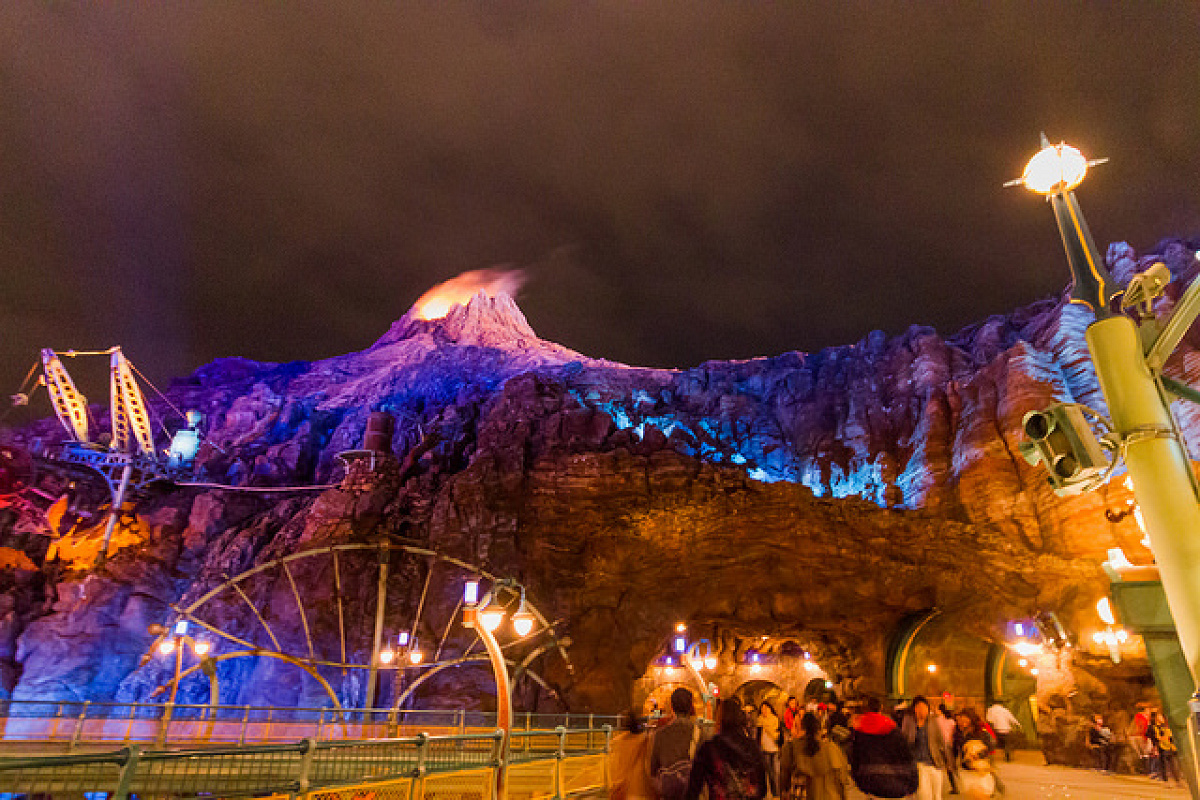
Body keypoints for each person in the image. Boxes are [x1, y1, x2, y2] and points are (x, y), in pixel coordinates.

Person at [685, 698, 767, 800]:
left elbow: (694, 788)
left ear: (720, 720)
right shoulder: (752, 747)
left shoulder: (709, 748)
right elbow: (762, 788)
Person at [849, 697, 918, 799]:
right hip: (895, 784)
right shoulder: (892, 728)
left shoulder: (858, 732)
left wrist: (859, 782)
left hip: (870, 784)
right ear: (881, 708)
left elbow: (854, 760)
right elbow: (906, 757)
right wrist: (913, 784)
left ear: (865, 710)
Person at [780, 711, 852, 800]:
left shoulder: (791, 748)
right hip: (830, 795)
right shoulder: (832, 748)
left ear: (800, 728)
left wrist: (784, 792)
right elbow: (841, 778)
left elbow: (784, 777)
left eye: (794, 726)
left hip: (802, 795)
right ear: (818, 729)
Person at [652, 688, 704, 800]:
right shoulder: (700, 734)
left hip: (669, 794)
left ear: (672, 707)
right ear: (691, 707)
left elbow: (653, 770)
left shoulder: (660, 735)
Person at [900, 696, 952, 800]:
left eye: (924, 707)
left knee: (937, 796)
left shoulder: (933, 721)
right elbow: (904, 741)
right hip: (919, 764)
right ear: (914, 709)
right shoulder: (909, 721)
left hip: (935, 763)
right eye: (918, 707)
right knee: (924, 795)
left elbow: (941, 742)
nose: (922, 710)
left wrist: (948, 762)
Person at [610, 710, 656, 800]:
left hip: (626, 791)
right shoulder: (647, 740)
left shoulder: (617, 743)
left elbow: (614, 770)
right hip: (643, 790)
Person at [1147, 711, 1183, 786]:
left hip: (1170, 747)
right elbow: (1157, 737)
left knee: (1173, 764)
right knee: (1164, 764)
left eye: (1161, 716)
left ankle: (1177, 781)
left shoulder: (1166, 726)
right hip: (1162, 747)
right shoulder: (1155, 727)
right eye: (1159, 716)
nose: (1161, 718)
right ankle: (1166, 781)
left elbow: (1171, 736)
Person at [757, 701, 783, 798]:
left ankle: (776, 793)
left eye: (766, 708)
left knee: (776, 772)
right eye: (762, 708)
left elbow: (780, 735)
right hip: (765, 749)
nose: (764, 710)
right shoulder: (759, 720)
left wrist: (780, 745)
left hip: (775, 749)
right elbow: (757, 736)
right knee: (769, 772)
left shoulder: (775, 720)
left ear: (770, 709)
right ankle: (771, 792)